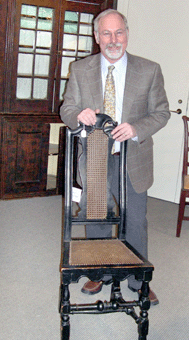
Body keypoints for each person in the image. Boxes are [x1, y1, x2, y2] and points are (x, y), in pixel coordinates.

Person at [60, 9, 171, 305]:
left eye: (118, 32)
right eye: (106, 33)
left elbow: (161, 112)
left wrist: (136, 128)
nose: (113, 40)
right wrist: (78, 114)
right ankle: (99, 272)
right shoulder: (80, 69)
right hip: (95, 155)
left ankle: (137, 278)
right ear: (97, 37)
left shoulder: (149, 70)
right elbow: (66, 109)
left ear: (127, 34)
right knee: (96, 214)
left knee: (135, 219)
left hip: (132, 156)